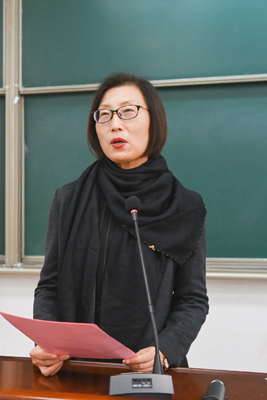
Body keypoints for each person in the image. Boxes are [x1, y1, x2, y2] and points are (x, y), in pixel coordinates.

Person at [31, 72, 209, 377]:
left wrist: (164, 350)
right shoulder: (69, 199)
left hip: (147, 373)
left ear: (154, 121)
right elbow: (50, 286)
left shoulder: (184, 206)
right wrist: (46, 343)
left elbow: (192, 299)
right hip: (76, 369)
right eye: (104, 115)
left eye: (128, 111)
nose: (115, 124)